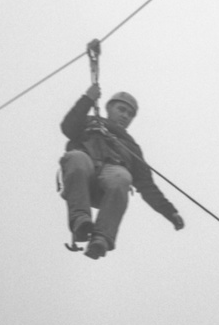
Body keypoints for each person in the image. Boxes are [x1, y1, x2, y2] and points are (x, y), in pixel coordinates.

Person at [59, 84, 185, 259]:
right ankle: (81, 220)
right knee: (77, 158)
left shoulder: (132, 147)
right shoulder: (89, 122)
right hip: (83, 174)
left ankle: (101, 238)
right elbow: (68, 127)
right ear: (109, 108)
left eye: (130, 114)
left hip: (108, 187)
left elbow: (147, 186)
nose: (125, 115)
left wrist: (170, 212)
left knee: (122, 176)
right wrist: (88, 99)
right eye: (122, 109)